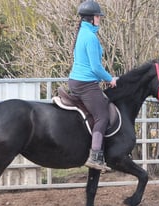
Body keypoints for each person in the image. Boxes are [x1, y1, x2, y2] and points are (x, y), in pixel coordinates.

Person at [68, 0, 117, 171]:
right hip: (86, 83)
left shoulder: (82, 32)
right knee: (102, 116)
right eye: (98, 16)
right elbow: (95, 67)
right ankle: (95, 156)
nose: (100, 19)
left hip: (77, 80)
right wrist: (110, 79)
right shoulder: (90, 37)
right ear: (92, 18)